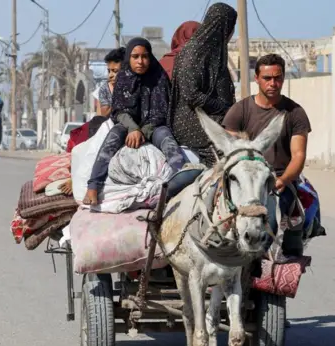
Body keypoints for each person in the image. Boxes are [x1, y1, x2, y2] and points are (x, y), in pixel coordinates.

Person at [222, 54, 312, 256]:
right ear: (257, 79)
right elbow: (229, 152)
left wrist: (283, 180)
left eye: (278, 78)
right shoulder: (240, 110)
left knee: (288, 219)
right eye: (267, 78)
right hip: (246, 180)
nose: (273, 83)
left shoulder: (295, 113)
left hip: (278, 179)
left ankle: (280, 261)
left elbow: (298, 155)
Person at [83, 37, 188, 205]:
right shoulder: (123, 77)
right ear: (129, 59)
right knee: (113, 136)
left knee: (167, 139)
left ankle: (183, 180)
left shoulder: (158, 76)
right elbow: (119, 111)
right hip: (127, 125)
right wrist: (133, 129)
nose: (141, 61)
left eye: (145, 56)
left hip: (154, 126)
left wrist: (142, 132)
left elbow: (161, 112)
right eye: (135, 57)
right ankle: (94, 185)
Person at [169, 2, 237, 167]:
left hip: (214, 116)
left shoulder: (215, 53)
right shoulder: (192, 54)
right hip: (192, 121)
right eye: (231, 26)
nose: (231, 32)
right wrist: (224, 108)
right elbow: (191, 95)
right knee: (229, 157)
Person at [96, 47, 125, 118]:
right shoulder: (105, 89)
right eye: (109, 71)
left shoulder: (135, 86)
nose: (110, 75)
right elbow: (104, 114)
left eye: (115, 71)